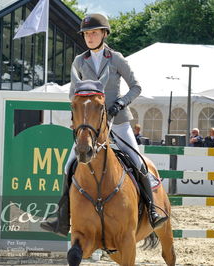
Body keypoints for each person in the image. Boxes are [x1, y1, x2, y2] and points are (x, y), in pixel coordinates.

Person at [41, 13, 167, 237]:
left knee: (138, 162)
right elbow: (73, 93)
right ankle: (62, 218)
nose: (90, 37)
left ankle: (152, 210)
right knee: (68, 166)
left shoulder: (116, 58)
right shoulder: (80, 61)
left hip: (116, 121)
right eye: (87, 34)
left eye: (94, 33)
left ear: (104, 34)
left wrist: (120, 103)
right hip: (91, 127)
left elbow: (136, 87)